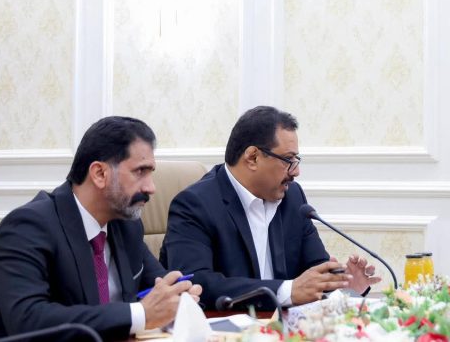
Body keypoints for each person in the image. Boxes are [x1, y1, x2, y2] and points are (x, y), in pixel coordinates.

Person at [0, 116, 202, 339]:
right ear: (99, 174)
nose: (151, 187)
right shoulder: (27, 227)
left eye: (151, 173)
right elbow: (28, 320)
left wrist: (179, 297)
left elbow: (162, 285)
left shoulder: (127, 226)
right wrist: (140, 313)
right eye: (140, 172)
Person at [161, 106, 381, 309]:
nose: (296, 172)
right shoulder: (194, 205)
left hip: (284, 327)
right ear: (253, 158)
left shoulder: (293, 197)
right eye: (288, 160)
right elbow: (197, 284)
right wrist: (287, 291)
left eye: (296, 160)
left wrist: (343, 287)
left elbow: (315, 267)